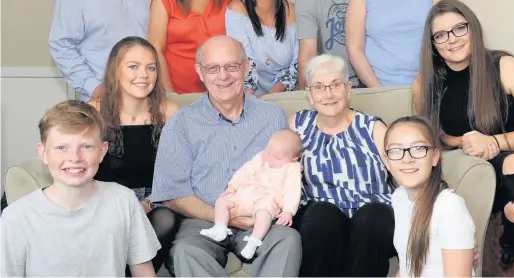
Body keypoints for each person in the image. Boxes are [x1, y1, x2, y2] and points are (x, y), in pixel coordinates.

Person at [413, 0, 514, 275]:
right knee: (513, 192)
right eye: (441, 35)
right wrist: (462, 141)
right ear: (433, 44)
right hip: (485, 172)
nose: (452, 39)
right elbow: (434, 139)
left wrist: (496, 142)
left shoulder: (504, 66)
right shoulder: (425, 85)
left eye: (459, 28)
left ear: (472, 28)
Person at [150, 35, 302, 276]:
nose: (223, 76)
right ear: (200, 72)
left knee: (288, 240)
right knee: (186, 251)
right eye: (213, 68)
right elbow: (172, 194)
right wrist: (224, 217)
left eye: (232, 66)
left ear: (246, 67)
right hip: (203, 220)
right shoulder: (181, 124)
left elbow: (287, 174)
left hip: (260, 218)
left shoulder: (272, 116)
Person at [0, 100, 160, 277]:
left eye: (86, 147)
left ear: (102, 151)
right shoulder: (16, 218)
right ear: (44, 153)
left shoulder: (123, 200)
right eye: (62, 147)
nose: (74, 157)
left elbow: (143, 272)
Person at [288, 54, 395, 277]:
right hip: (320, 219)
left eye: (335, 85)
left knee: (374, 216)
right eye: (319, 87)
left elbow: (406, 171)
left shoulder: (372, 128)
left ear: (348, 89)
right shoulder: (297, 125)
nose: (328, 94)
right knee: (322, 215)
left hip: (371, 217)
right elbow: (277, 170)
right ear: (309, 94)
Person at [88, 36, 180, 272]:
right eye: (133, 66)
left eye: (151, 67)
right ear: (115, 71)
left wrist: (146, 205)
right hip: (106, 201)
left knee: (166, 219)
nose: (144, 75)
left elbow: (178, 174)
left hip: (154, 203)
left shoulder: (170, 112)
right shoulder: (93, 112)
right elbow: (81, 167)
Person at [384, 116, 475, 277]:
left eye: (418, 148)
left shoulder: (449, 208)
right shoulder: (398, 198)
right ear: (387, 162)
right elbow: (407, 269)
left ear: (434, 156)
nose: (407, 158)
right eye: (396, 150)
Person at [200, 128, 302, 260]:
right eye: (268, 152)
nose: (269, 158)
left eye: (276, 157)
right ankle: (220, 227)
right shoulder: (261, 157)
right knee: (222, 200)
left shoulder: (291, 168)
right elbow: (245, 171)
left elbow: (292, 190)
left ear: (294, 158)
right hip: (244, 194)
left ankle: (254, 241)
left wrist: (288, 211)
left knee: (263, 214)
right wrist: (232, 186)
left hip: (266, 199)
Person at [226, 0, 298, 95]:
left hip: (284, 95)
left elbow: (295, 66)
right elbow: (243, 62)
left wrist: (271, 98)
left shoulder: (292, 10)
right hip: (248, 96)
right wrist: (253, 104)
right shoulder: (238, 8)